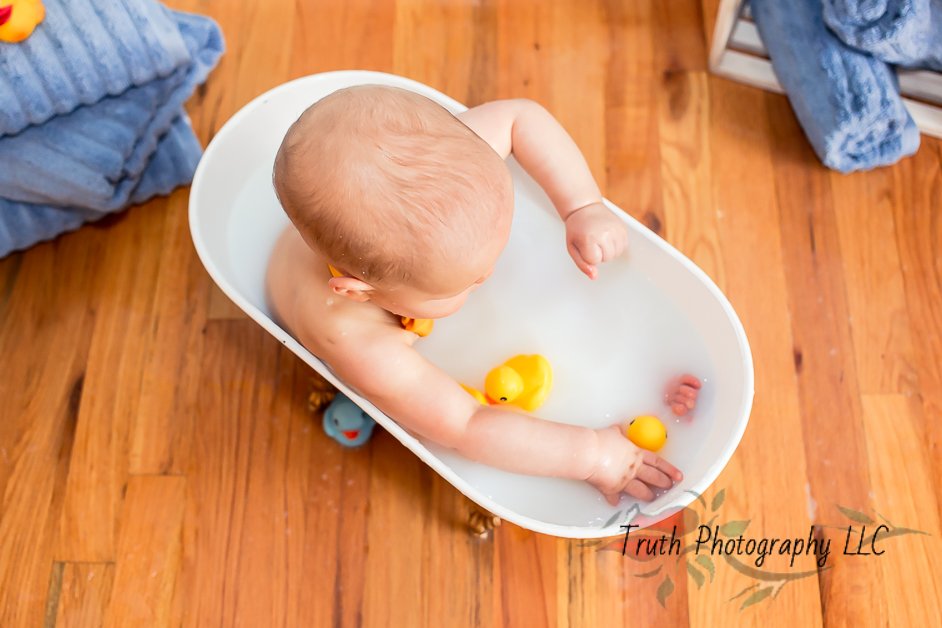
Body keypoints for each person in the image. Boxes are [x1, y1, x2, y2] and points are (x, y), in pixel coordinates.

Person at [266, 85, 701, 505]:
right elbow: (466, 425)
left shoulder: (450, 168)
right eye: (467, 283)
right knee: (399, 407)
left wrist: (583, 206)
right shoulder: (357, 340)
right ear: (360, 293)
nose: (489, 276)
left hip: (380, 263)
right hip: (349, 327)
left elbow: (520, 116)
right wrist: (594, 456)